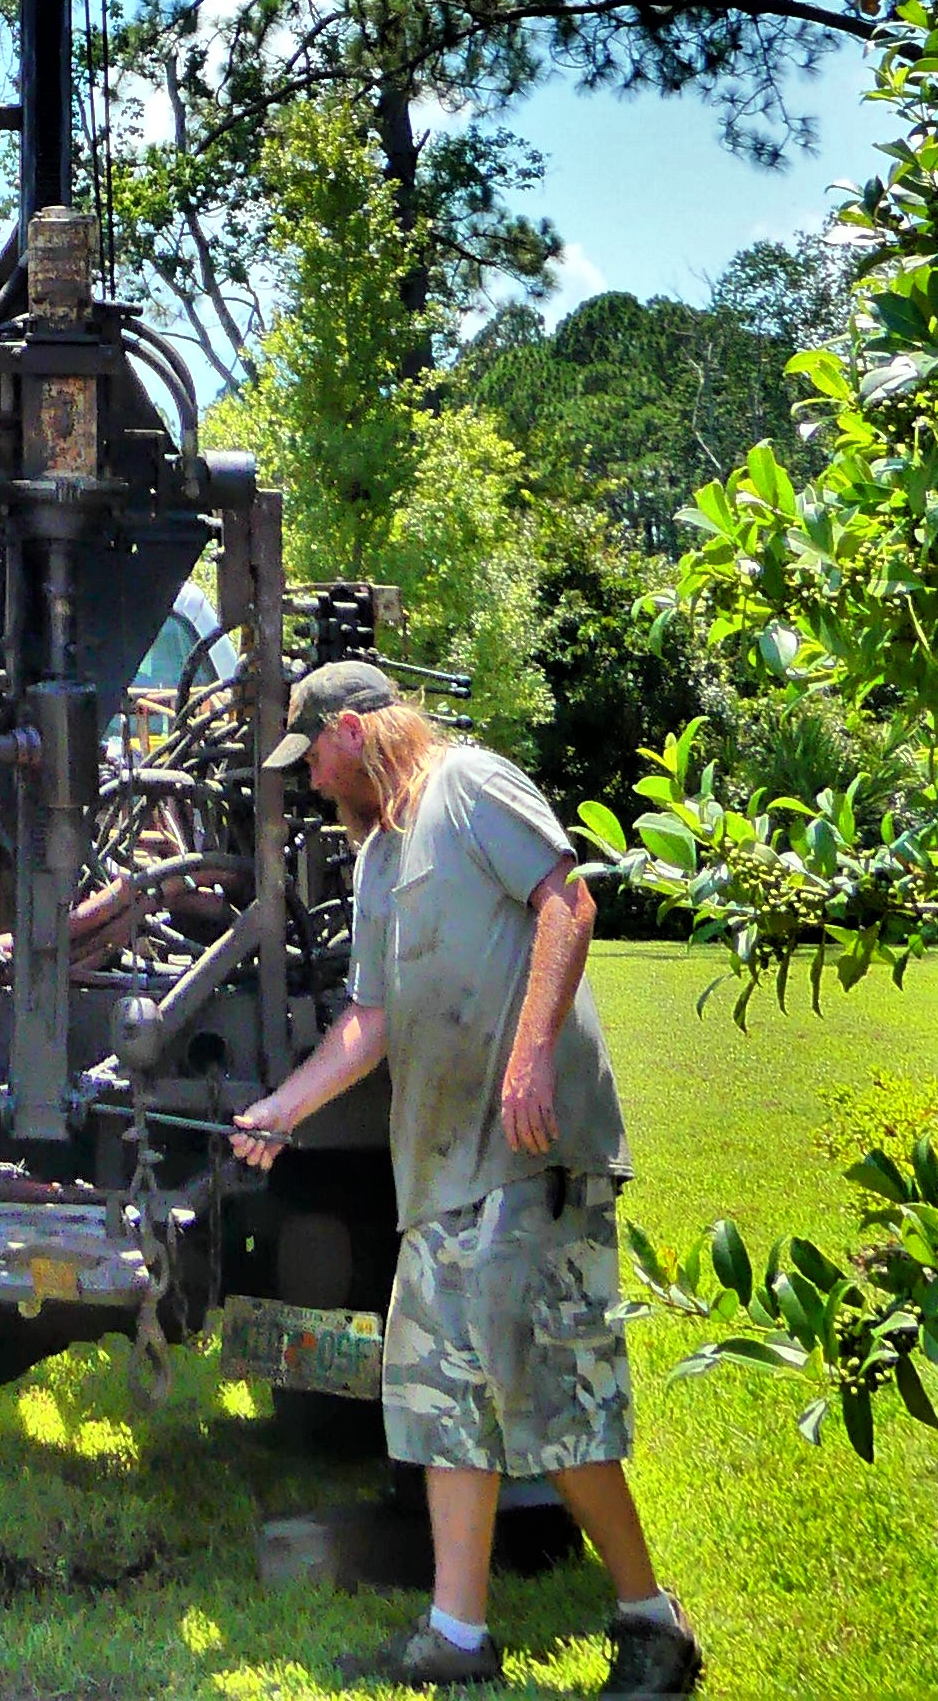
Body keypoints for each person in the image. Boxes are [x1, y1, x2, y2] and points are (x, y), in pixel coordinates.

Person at [232, 659, 703, 1694]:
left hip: (526, 1153)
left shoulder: (471, 785)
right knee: (444, 1401)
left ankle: (652, 1623)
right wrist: (284, 1109)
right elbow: (372, 1020)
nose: (311, 779)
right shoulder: (377, 854)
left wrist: (530, 1054)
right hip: (443, 1171)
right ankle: (456, 1637)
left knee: (548, 1394)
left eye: (311, 754)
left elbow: (566, 904)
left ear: (353, 729)